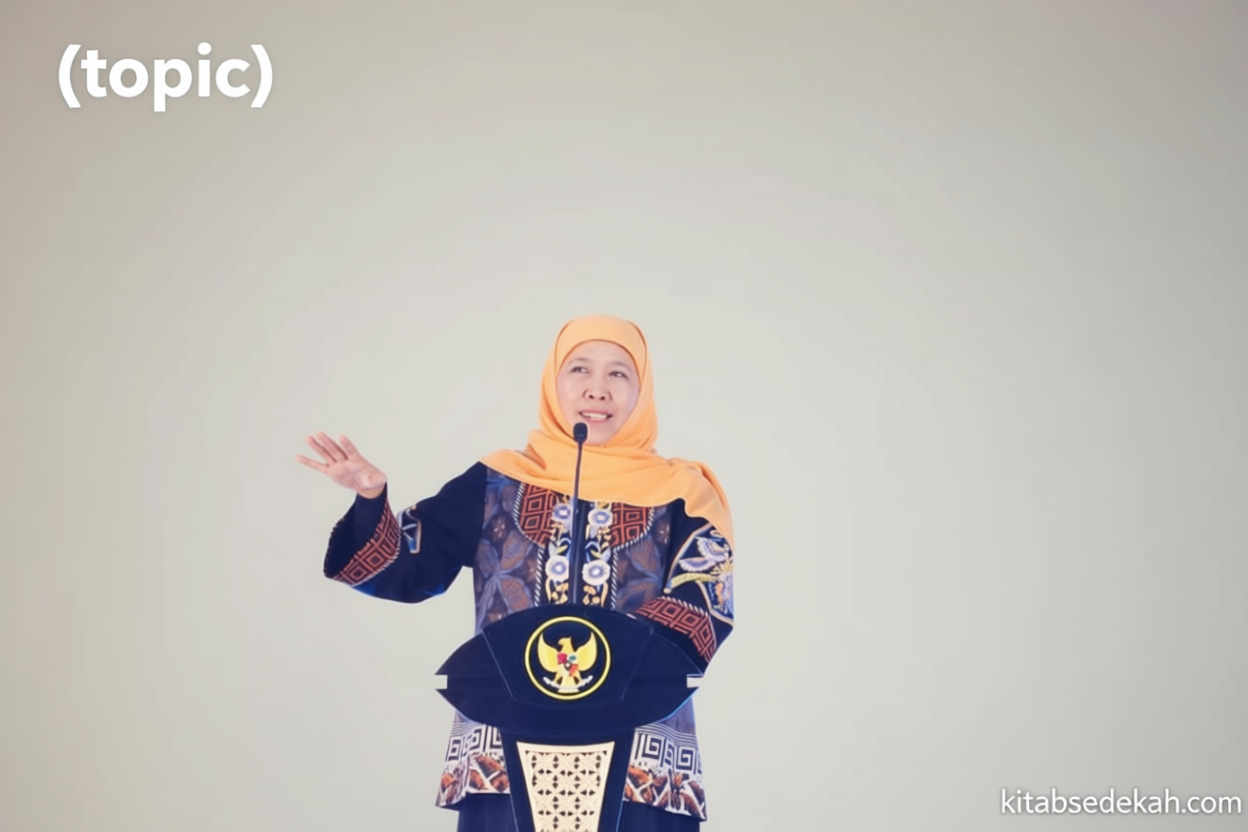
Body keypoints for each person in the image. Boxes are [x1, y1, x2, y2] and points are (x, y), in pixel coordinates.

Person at [295, 314, 736, 832]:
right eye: (579, 369)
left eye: (619, 373)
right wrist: (371, 498)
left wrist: (602, 668)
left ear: (643, 392)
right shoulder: (497, 482)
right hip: (504, 748)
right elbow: (409, 568)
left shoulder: (683, 494)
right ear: (553, 382)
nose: (597, 388)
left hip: (638, 752)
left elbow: (704, 603)